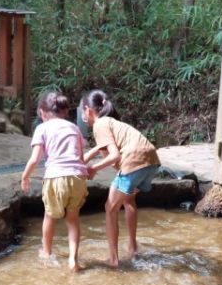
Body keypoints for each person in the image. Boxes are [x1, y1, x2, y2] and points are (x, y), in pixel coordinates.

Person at [81, 89, 161, 267]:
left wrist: (93, 168)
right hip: (151, 161)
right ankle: (133, 247)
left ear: (87, 110)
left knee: (110, 208)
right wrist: (83, 160)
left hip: (133, 161)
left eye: (82, 111)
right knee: (129, 200)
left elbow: (114, 155)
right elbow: (102, 148)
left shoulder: (99, 124)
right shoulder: (111, 122)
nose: (82, 116)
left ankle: (113, 260)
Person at [21, 91, 88, 272]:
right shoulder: (74, 128)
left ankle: (46, 251)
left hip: (55, 176)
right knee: (73, 219)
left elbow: (35, 159)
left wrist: (25, 177)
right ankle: (73, 260)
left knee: (50, 216)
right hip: (78, 177)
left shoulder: (42, 128)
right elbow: (81, 158)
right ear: (64, 111)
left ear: (42, 112)